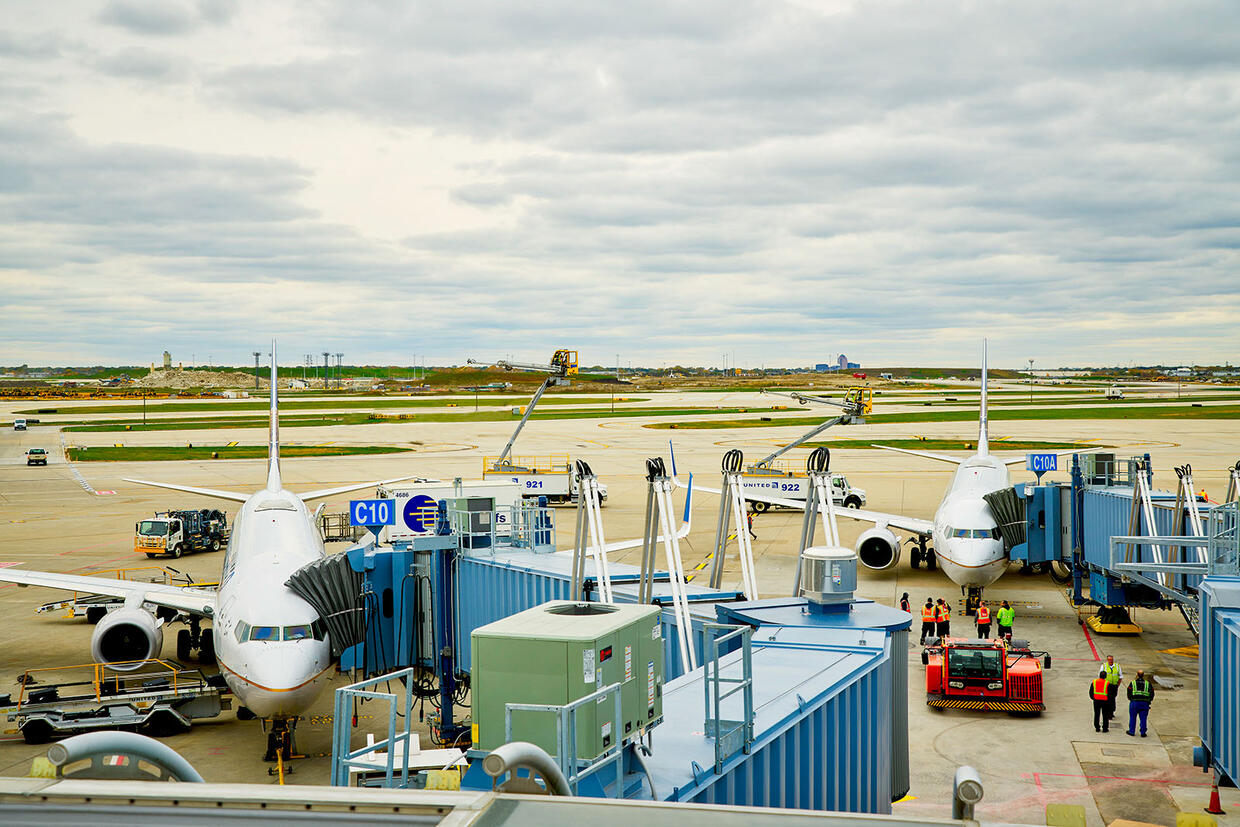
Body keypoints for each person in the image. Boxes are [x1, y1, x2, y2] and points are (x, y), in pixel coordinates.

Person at [1126, 669, 1155, 737]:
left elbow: (1129, 692)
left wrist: (1131, 699)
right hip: (1144, 703)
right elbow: (1152, 693)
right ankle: (1143, 732)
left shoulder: (1132, 683)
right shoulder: (1148, 684)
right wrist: (1149, 701)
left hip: (1134, 703)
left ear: (1137, 675)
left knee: (1133, 717)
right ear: (1143, 675)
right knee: (1143, 718)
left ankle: (1131, 731)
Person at [1100, 655, 1123, 722]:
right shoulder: (1104, 666)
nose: (1111, 661)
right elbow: (1100, 676)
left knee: (1112, 699)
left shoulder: (1117, 666)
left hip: (1114, 686)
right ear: (1107, 660)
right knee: (1107, 700)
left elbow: (1120, 677)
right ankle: (1109, 713)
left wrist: (1117, 685)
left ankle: (1112, 712)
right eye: (1109, 660)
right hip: (1106, 686)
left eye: (1111, 659)